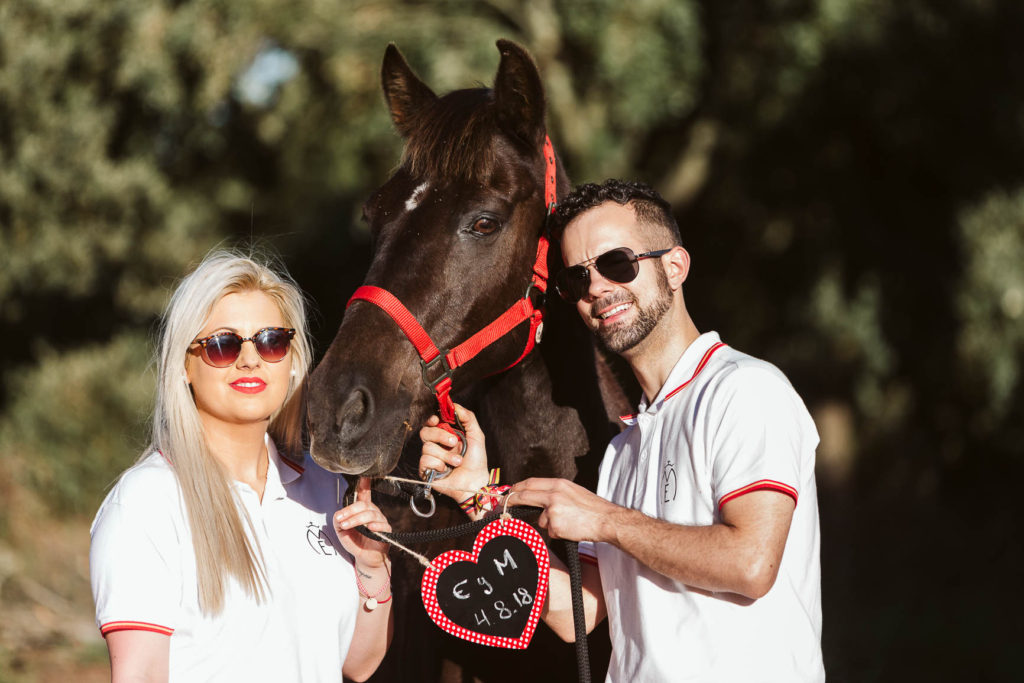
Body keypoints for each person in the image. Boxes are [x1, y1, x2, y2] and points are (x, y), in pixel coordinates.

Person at [419, 180, 824, 682]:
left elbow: (751, 564)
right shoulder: (623, 448)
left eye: (616, 262)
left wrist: (606, 520)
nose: (595, 289)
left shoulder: (744, 390)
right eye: (575, 279)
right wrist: (480, 499)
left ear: (674, 267)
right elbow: (580, 614)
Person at [90, 250, 393, 682]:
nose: (249, 360)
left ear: (291, 361)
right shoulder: (146, 502)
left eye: (271, 340)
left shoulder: (326, 486)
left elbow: (358, 666)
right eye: (222, 345)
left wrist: (371, 568)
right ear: (184, 367)